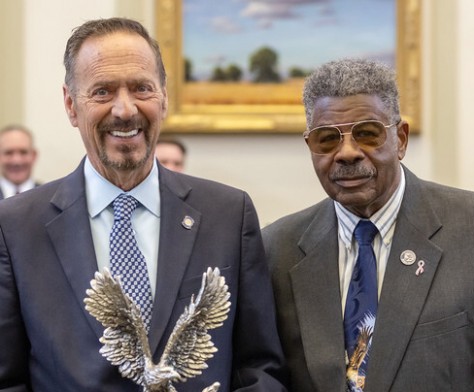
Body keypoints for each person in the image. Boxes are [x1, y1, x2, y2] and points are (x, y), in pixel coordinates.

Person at [0, 18, 287, 391]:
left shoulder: (228, 214)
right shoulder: (17, 226)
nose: (125, 110)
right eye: (102, 91)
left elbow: (259, 367)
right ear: (71, 105)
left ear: (164, 98)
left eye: (141, 88)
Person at [262, 58, 474, 392]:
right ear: (311, 148)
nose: (347, 153)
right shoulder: (276, 250)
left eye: (367, 134)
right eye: (327, 139)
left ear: (401, 139)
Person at [0, 124, 39, 198]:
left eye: (23, 152)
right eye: (9, 153)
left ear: (34, 156)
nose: (16, 161)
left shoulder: (49, 196)